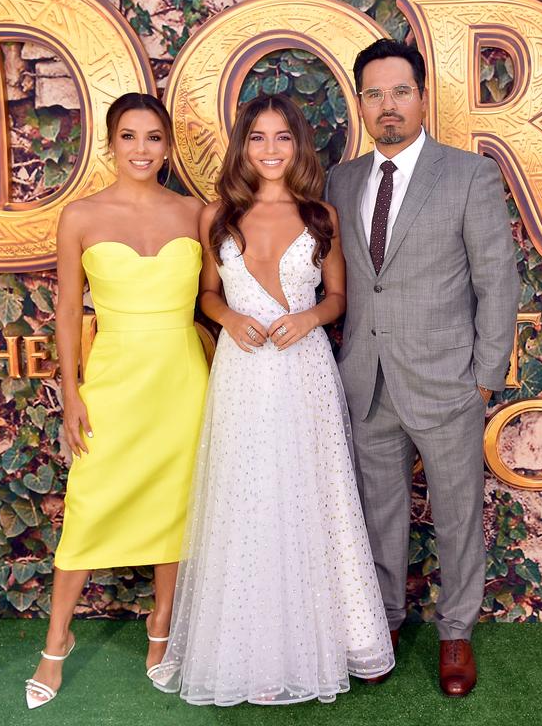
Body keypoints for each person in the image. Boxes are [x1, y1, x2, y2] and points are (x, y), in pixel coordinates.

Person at [150, 94, 394, 705]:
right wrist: (227, 317)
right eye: (258, 138)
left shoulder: (322, 217)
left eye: (282, 138)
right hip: (241, 371)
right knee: (245, 497)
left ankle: (339, 641)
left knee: (311, 493)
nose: (270, 150)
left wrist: (309, 317)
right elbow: (206, 294)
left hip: (302, 370)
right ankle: (246, 651)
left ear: (299, 145)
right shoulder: (217, 216)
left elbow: (339, 298)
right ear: (243, 146)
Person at [324, 39, 519, 697]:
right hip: (367, 377)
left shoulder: (467, 174)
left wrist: (485, 376)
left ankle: (457, 631)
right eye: (374, 94)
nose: (388, 106)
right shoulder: (341, 180)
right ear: (362, 101)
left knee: (459, 512)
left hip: (448, 381)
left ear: (422, 94)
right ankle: (382, 622)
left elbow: (497, 280)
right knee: (378, 510)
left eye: (399, 92)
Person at [24, 93, 207, 709]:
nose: (141, 149)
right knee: (89, 504)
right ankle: (56, 643)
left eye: (154, 138)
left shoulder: (195, 213)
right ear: (110, 143)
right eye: (129, 136)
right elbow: (68, 312)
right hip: (114, 378)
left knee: (174, 509)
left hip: (183, 381)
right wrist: (70, 391)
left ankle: (160, 634)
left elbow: (215, 297)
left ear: (168, 147)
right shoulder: (81, 215)